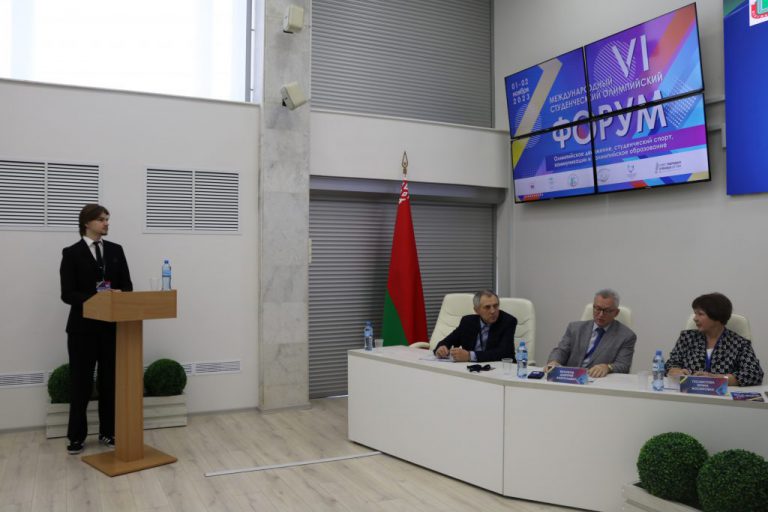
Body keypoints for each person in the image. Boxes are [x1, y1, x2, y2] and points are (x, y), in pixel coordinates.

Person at [60, 204, 133, 454]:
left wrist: (119, 293)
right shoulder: (71, 253)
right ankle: (76, 437)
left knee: (109, 382)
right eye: (101, 219)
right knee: (81, 383)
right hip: (82, 330)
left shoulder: (116, 250)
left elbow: (127, 286)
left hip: (110, 328)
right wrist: (98, 297)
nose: (106, 223)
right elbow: (68, 294)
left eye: (107, 219)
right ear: (87, 223)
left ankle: (108, 432)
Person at [666, 293, 763, 387]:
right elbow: (671, 364)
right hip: (689, 393)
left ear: (717, 316)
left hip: (723, 396)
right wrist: (675, 371)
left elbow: (755, 374)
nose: (695, 318)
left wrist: (717, 378)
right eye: (695, 313)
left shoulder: (739, 343)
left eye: (700, 314)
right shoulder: (687, 337)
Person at [546, 289, 636, 378]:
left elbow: (623, 365)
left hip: (599, 380)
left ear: (616, 313)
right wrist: (554, 361)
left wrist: (608, 367)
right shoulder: (574, 328)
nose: (601, 314)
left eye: (607, 310)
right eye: (598, 309)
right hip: (570, 378)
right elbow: (561, 351)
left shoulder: (627, 336)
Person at [434, 290, 517, 362]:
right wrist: (441, 349)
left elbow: (504, 353)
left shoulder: (508, 321)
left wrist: (470, 356)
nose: (493, 311)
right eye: (487, 307)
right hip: (470, 368)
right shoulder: (467, 322)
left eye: (495, 306)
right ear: (476, 310)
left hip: (499, 369)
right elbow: (447, 341)